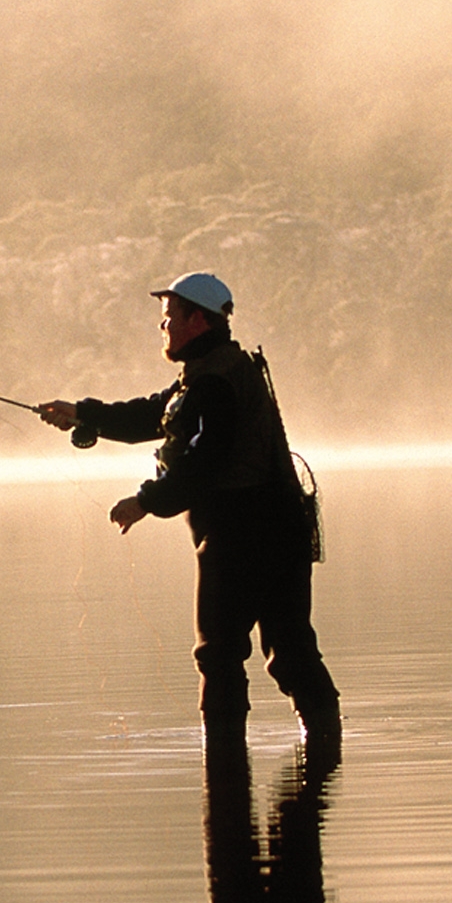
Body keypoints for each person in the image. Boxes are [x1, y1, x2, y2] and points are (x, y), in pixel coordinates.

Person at [40, 272, 341, 743]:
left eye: (169, 319)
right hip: (279, 529)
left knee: (219, 655)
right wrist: (83, 413)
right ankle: (324, 752)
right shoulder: (214, 373)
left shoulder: (214, 383)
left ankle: (225, 774)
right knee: (292, 652)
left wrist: (144, 501)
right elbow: (151, 415)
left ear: (196, 320)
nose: (163, 329)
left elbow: (205, 460)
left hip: (240, 535)